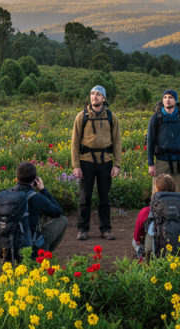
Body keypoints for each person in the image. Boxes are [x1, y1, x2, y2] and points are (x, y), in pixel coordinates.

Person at [71, 85, 121, 241]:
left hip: (106, 161)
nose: (95, 97)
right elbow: (75, 142)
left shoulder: (112, 117)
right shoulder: (82, 116)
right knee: (85, 197)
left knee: (104, 197)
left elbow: (117, 141)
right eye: (92, 94)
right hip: (86, 161)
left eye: (98, 94)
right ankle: (82, 229)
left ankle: (105, 229)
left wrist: (117, 164)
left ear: (104, 98)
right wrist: (76, 166)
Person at [133, 175, 180, 264]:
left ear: (156, 189)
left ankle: (146, 261)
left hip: (156, 259)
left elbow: (137, 239)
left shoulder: (146, 211)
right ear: (174, 188)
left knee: (137, 243)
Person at [13, 162, 69, 252]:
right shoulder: (37, 198)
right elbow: (58, 211)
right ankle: (44, 254)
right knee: (63, 219)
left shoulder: (8, 195)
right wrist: (42, 189)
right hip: (30, 247)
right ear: (35, 179)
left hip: (9, 246)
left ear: (17, 177)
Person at [146, 89, 180, 193]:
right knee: (158, 192)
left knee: (179, 192)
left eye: (170, 97)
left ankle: (179, 209)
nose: (167, 100)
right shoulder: (156, 118)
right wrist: (151, 164)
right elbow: (150, 142)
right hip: (161, 161)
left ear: (175, 100)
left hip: (178, 161)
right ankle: (156, 210)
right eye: (165, 97)